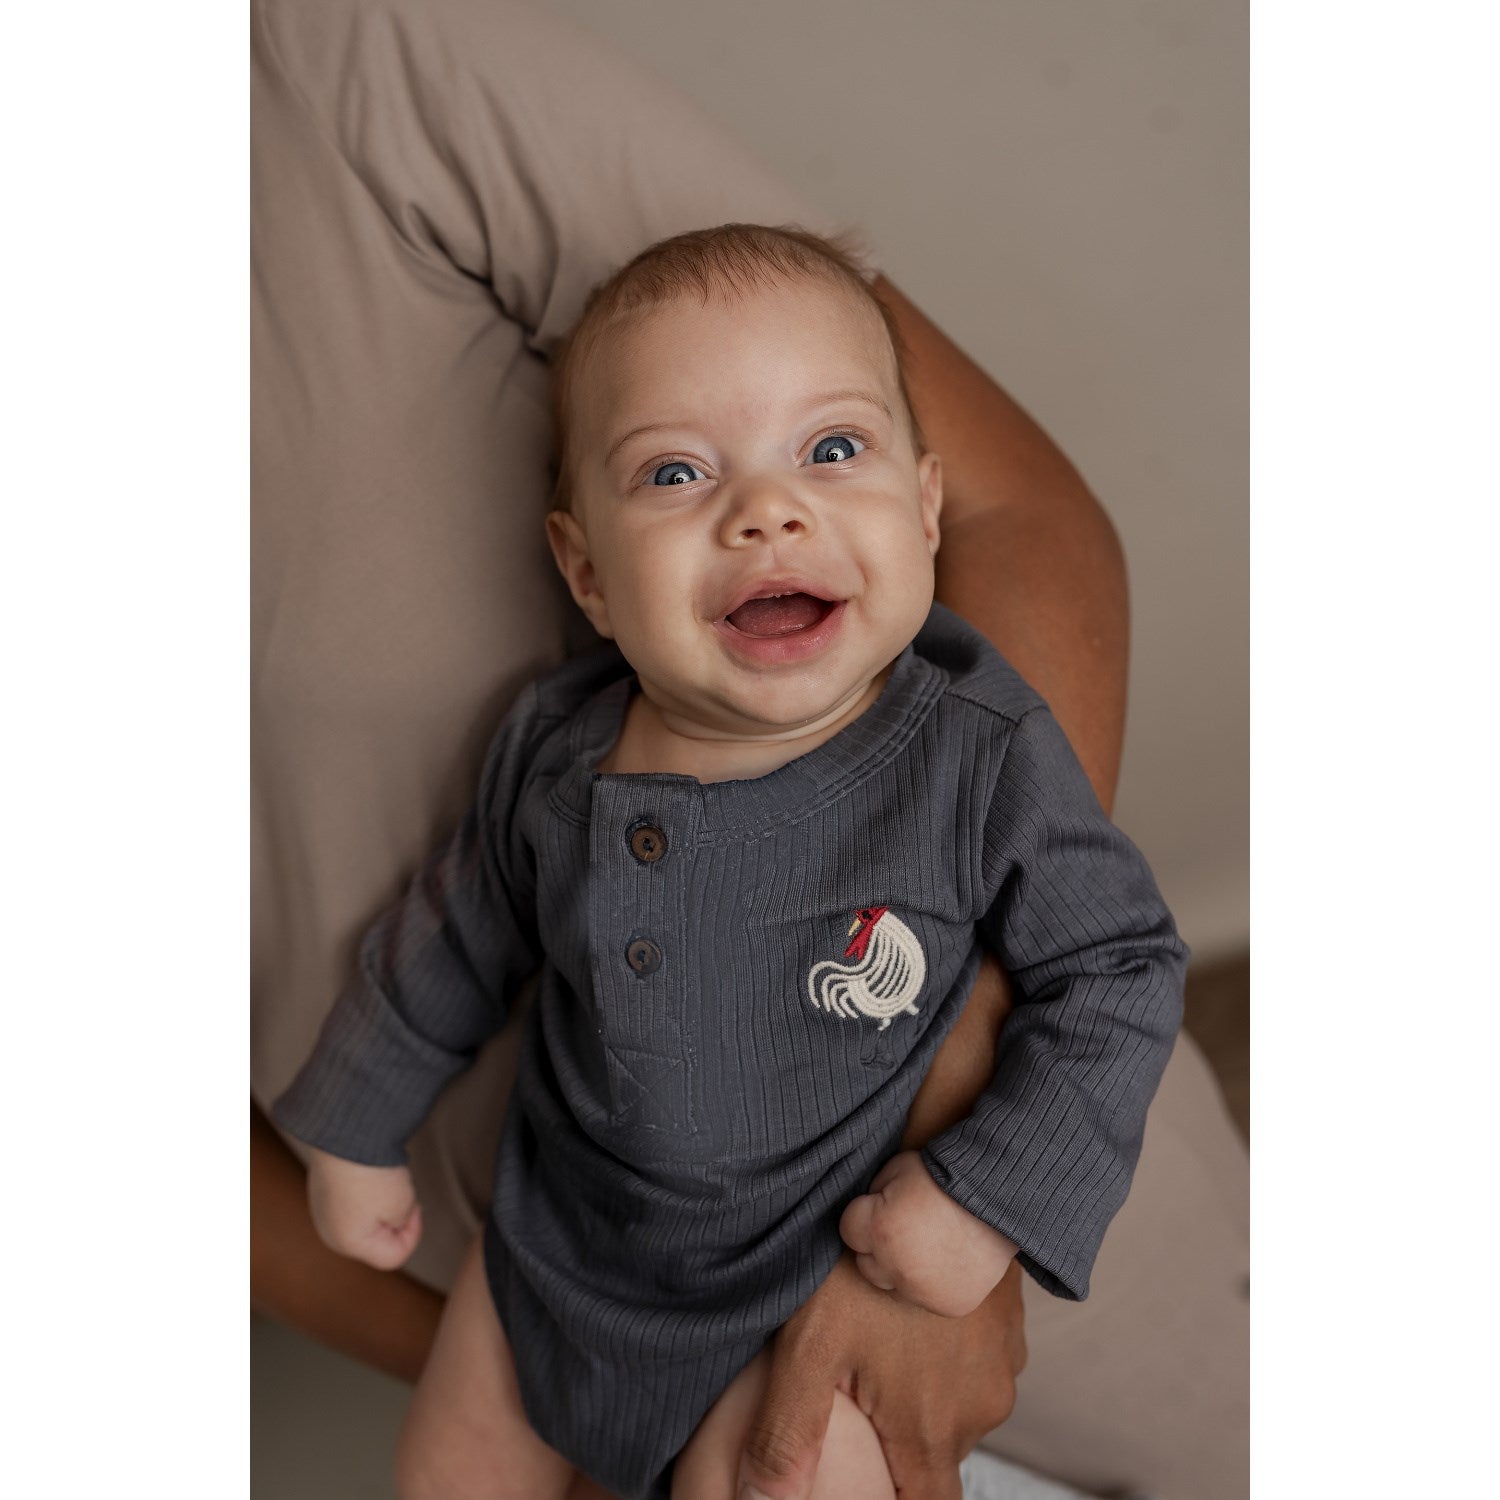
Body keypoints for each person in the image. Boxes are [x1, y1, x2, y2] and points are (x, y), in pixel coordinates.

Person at [251, 3, 1249, 1497]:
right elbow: (445, 945)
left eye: (832, 451)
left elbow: (1113, 971)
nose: (767, 511)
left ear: (924, 511)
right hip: (547, 1255)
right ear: (586, 574)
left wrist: (980, 1204)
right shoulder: (557, 755)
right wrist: (350, 1134)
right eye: (676, 473)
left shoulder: (971, 750)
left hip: (814, 1278)